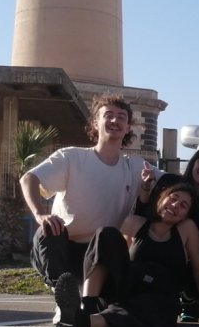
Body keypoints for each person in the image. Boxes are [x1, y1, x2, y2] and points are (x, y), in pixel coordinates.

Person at [53, 182, 199, 327]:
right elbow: (107, 257)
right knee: (105, 234)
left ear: (185, 215)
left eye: (183, 205)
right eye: (173, 198)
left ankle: (80, 323)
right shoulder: (134, 223)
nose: (175, 205)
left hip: (159, 298)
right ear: (161, 199)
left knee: (128, 314)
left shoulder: (186, 229)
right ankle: (87, 308)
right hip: (127, 288)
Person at [20, 94, 150, 290]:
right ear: (96, 123)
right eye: (108, 115)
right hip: (61, 249)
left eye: (122, 116)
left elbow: (175, 186)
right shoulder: (71, 157)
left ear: (128, 126)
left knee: (110, 237)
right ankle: (62, 294)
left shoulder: (136, 166)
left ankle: (94, 299)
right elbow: (29, 178)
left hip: (100, 254)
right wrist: (40, 214)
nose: (115, 120)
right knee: (50, 228)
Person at [133, 146, 199, 320]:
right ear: (193, 163)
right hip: (153, 249)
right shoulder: (170, 183)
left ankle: (188, 296)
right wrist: (145, 189)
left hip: (191, 256)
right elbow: (142, 217)